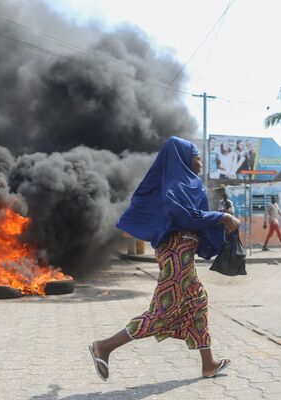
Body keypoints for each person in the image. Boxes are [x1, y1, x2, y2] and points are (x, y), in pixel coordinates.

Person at [89, 136, 241, 381]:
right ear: (183, 157)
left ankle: (208, 363)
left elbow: (196, 217)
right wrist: (221, 217)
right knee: (163, 312)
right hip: (176, 252)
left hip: (184, 251)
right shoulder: (174, 185)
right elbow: (186, 216)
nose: (200, 161)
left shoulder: (187, 183)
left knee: (198, 302)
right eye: (197, 156)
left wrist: (222, 218)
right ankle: (104, 346)